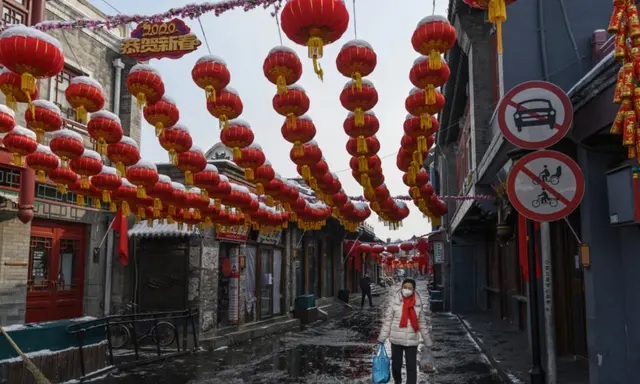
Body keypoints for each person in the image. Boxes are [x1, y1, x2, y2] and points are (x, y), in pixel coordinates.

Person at [377, 278, 433, 384]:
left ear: (414, 289)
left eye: (409, 288)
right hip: (396, 339)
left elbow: (422, 323)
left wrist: (427, 340)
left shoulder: (417, 302)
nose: (406, 290)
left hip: (412, 340)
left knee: (411, 367)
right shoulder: (395, 300)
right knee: (396, 367)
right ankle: (397, 381)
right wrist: (382, 338)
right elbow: (388, 320)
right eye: (405, 287)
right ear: (402, 288)